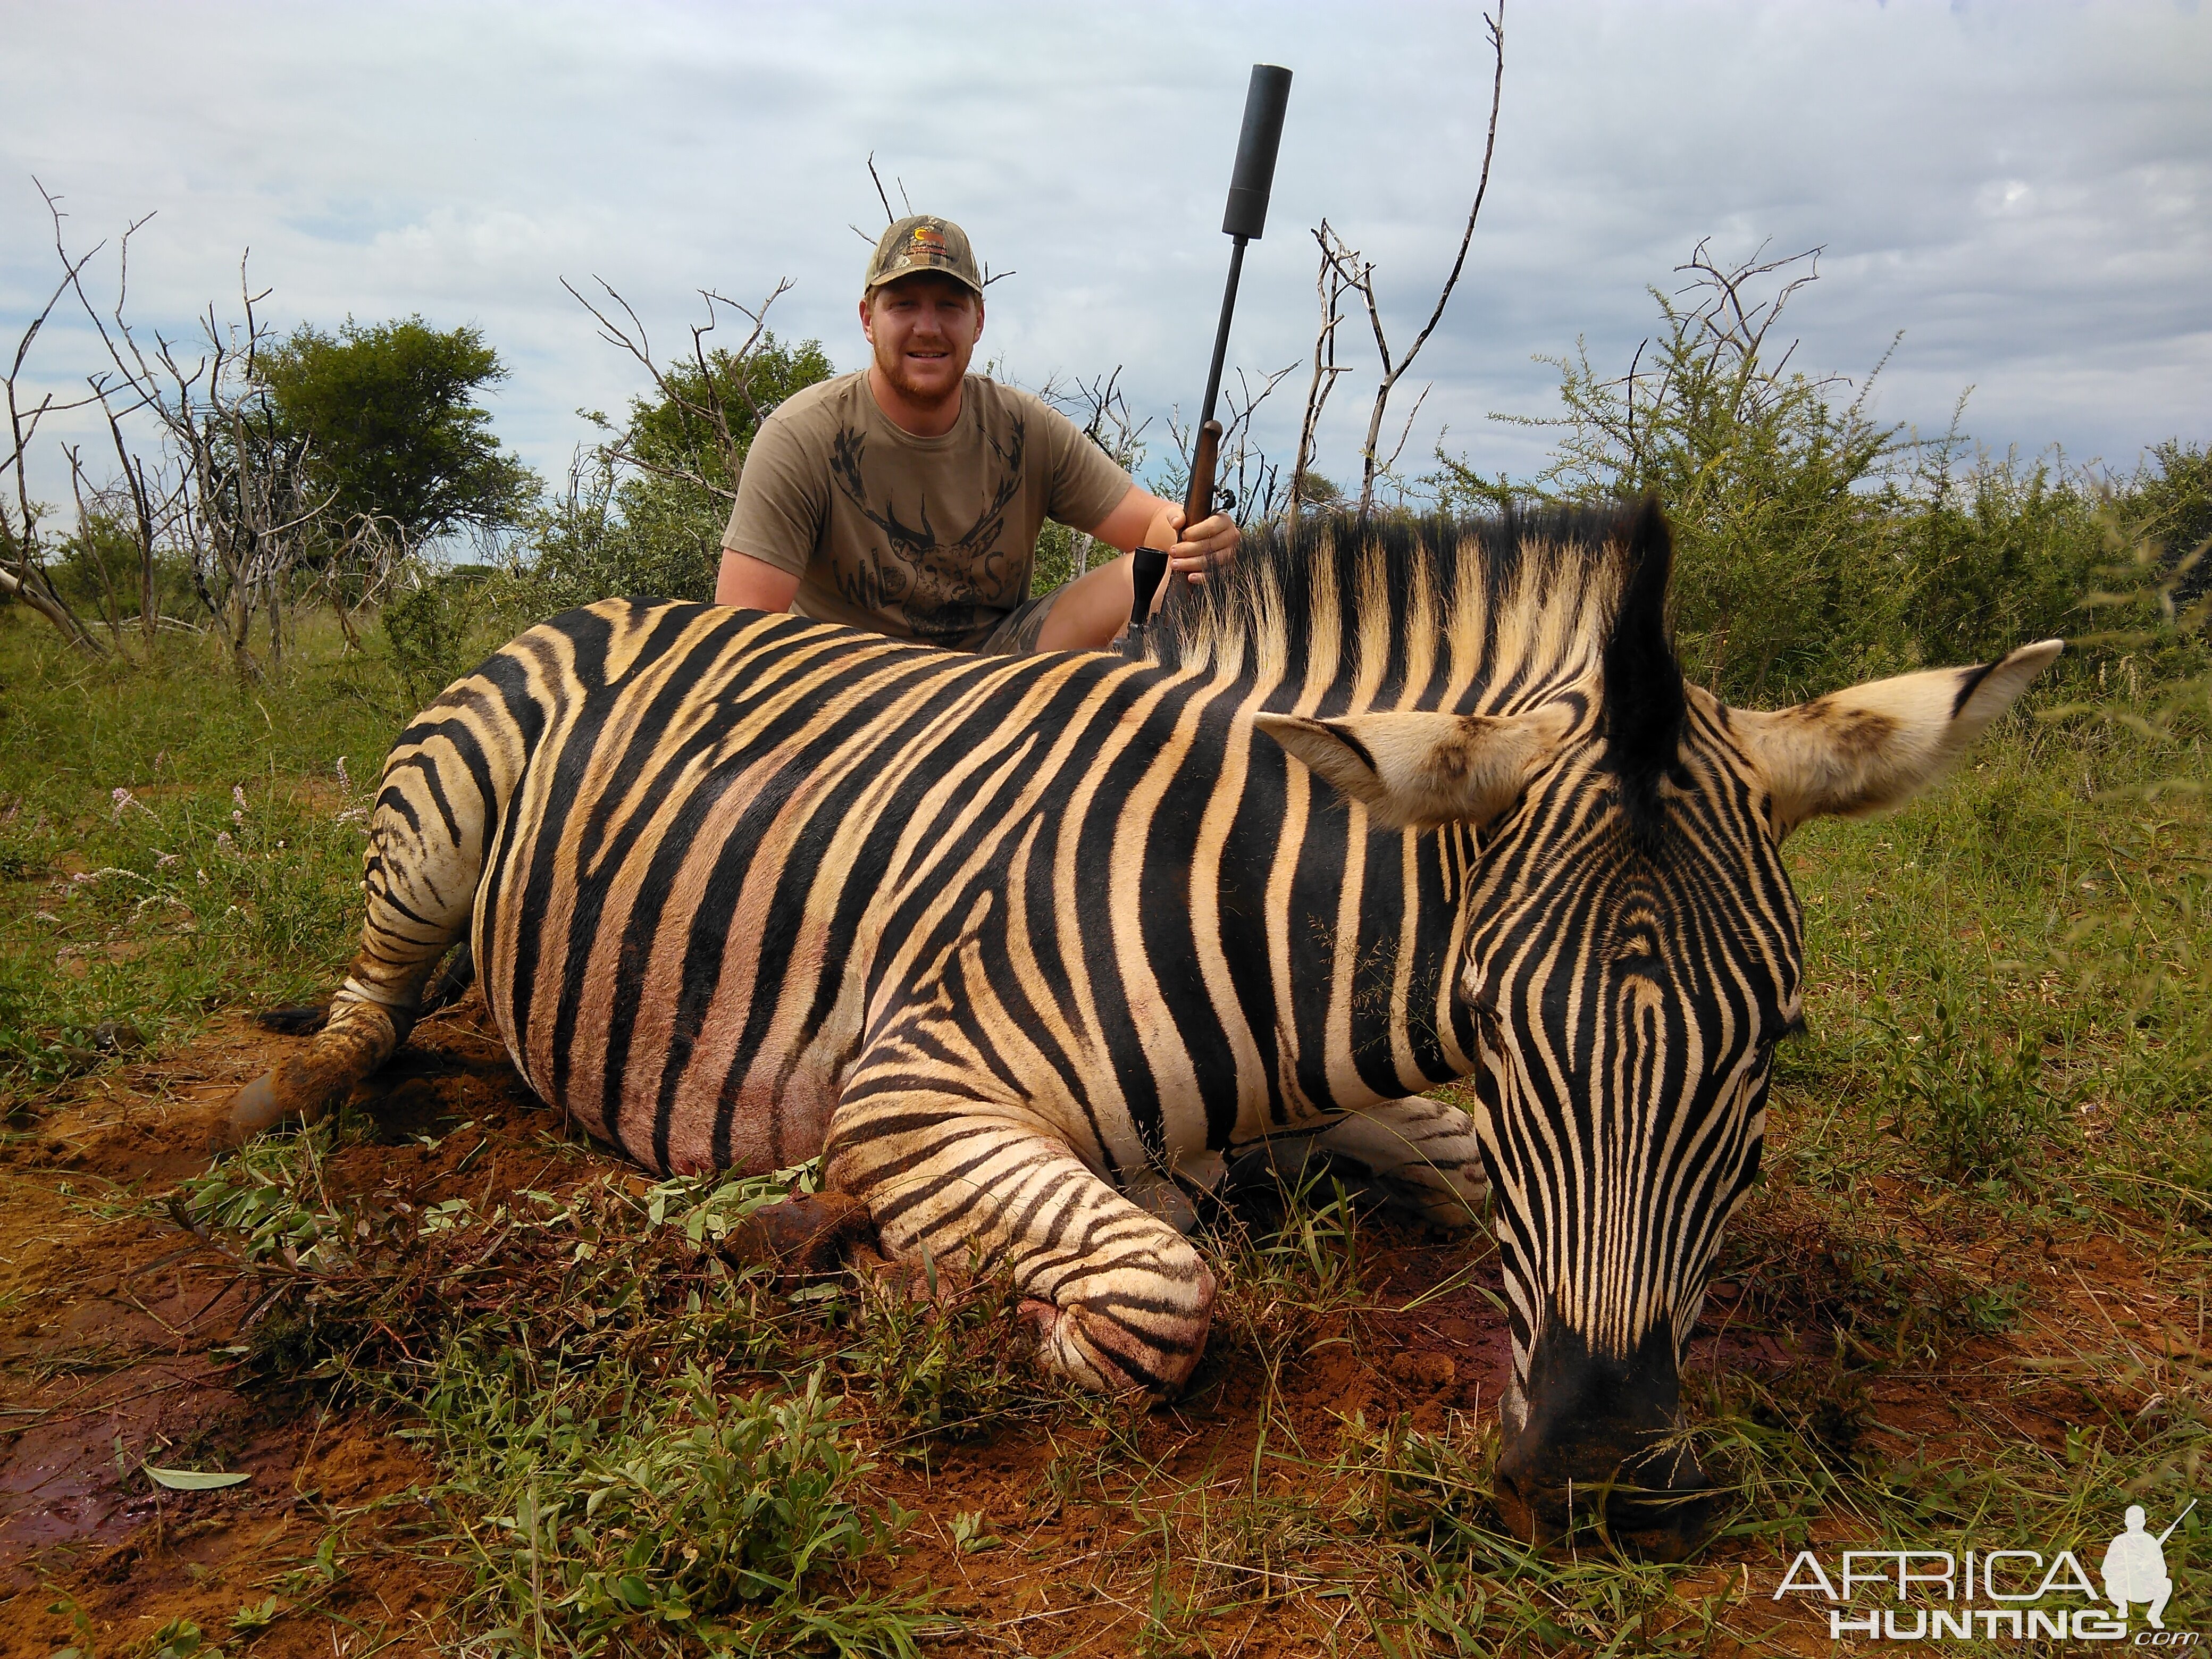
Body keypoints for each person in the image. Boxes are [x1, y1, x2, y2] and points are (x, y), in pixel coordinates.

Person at [715, 214, 1238, 652]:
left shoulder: (1024, 427)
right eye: (903, 304)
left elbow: (1154, 528)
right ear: (867, 319)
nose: (927, 326)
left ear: (978, 321)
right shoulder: (800, 435)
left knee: (1165, 576)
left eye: (949, 305)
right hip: (852, 687)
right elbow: (740, 636)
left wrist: (1199, 536)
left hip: (990, 683)